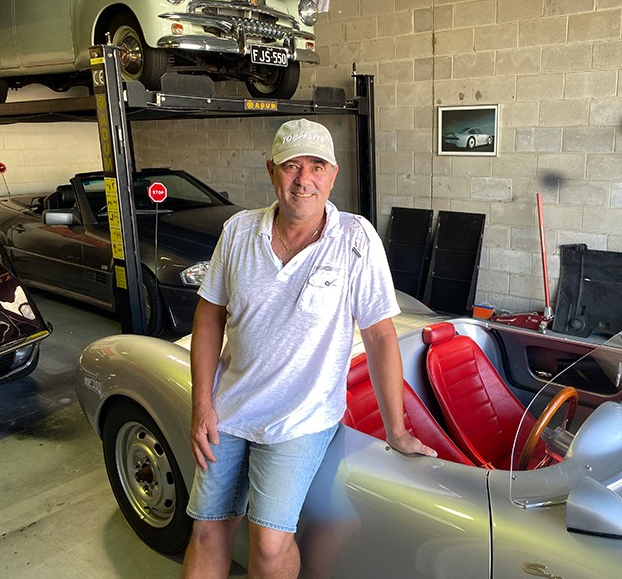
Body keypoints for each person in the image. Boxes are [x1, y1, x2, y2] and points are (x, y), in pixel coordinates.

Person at [181, 118, 436, 579]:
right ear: (270, 171)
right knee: (207, 530)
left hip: (299, 419)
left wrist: (396, 430)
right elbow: (209, 314)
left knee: (270, 547)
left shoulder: (355, 240)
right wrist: (202, 405)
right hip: (230, 411)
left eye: (316, 166)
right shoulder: (239, 232)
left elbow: (379, 335)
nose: (304, 180)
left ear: (333, 174)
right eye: (291, 167)